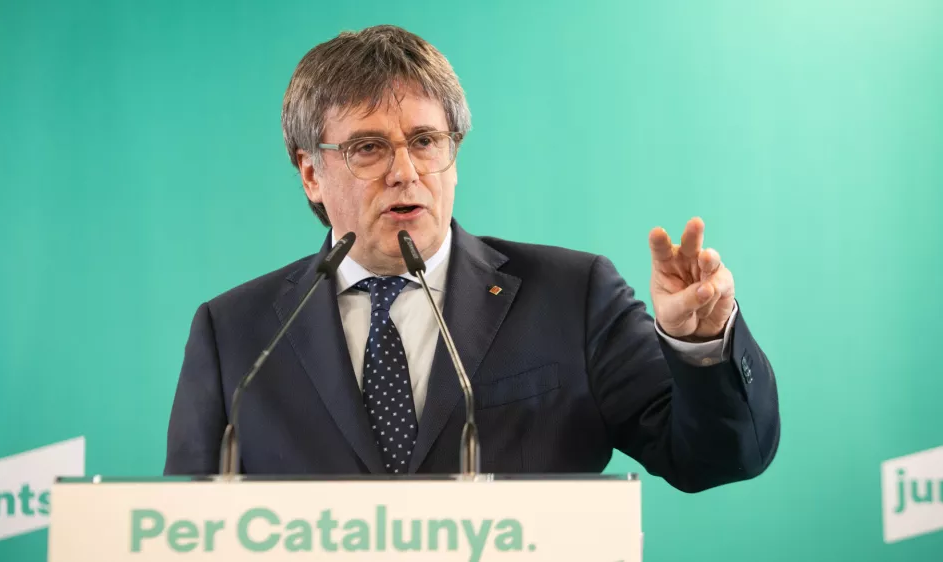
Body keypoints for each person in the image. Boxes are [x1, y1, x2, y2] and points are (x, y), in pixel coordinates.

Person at [164, 24, 779, 492]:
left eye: (425, 141)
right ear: (311, 174)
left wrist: (700, 345)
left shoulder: (572, 295)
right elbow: (187, 529)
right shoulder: (234, 334)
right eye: (369, 148)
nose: (405, 172)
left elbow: (718, 458)